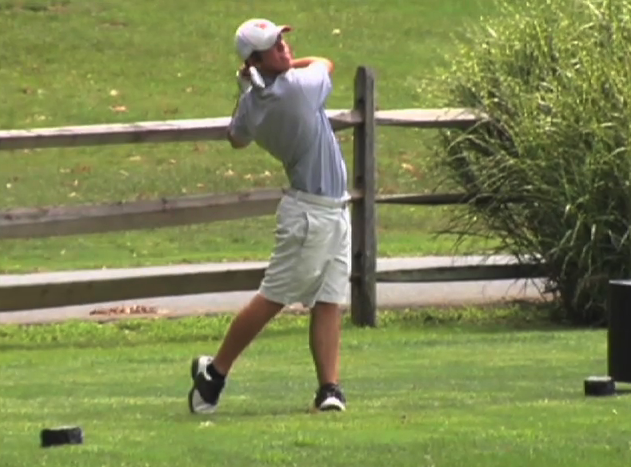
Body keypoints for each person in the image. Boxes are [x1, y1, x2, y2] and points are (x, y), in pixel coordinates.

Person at [187, 17, 352, 415]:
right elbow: (326, 62)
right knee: (273, 298)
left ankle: (329, 389)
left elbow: (236, 138)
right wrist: (276, 73)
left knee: (329, 299)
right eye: (274, 47)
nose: (285, 48)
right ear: (255, 60)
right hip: (309, 213)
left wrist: (249, 86)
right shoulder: (297, 88)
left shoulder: (253, 103)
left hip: (332, 208)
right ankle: (214, 375)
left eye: (282, 41)